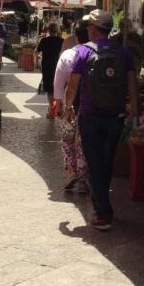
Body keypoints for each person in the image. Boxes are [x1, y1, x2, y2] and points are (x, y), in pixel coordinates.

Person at [64, 9, 139, 232]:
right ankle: (99, 208)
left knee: (95, 163)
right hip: (114, 116)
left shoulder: (83, 52)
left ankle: (104, 214)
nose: (87, 28)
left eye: (89, 25)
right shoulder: (123, 52)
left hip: (89, 115)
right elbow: (133, 84)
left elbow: (72, 85)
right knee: (105, 162)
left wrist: (67, 108)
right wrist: (135, 111)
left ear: (94, 29)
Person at [53, 24, 89, 193]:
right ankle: (83, 181)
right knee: (82, 143)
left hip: (69, 105)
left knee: (67, 139)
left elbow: (58, 82)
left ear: (76, 36)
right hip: (87, 106)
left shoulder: (68, 54)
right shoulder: (94, 54)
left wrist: (58, 104)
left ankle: (71, 172)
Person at [35, 23, 65, 110]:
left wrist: (39, 56)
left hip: (46, 67)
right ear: (57, 31)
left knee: (49, 90)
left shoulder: (44, 40)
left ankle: (52, 109)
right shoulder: (62, 41)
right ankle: (58, 108)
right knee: (58, 88)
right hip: (58, 67)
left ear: (48, 31)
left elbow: (37, 53)